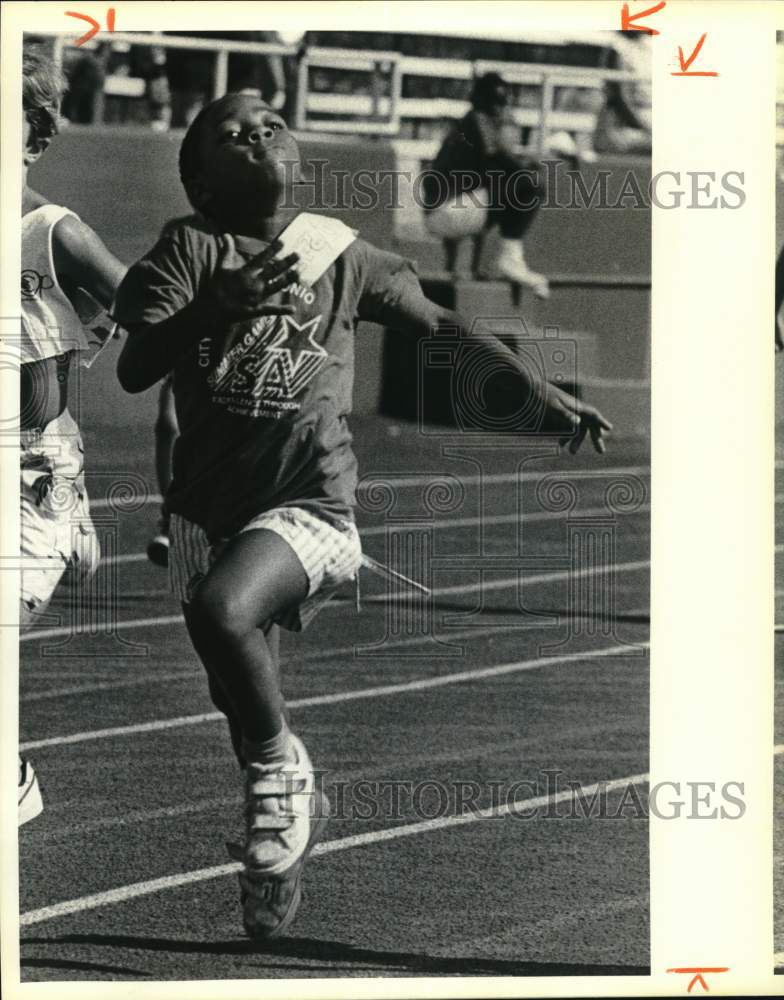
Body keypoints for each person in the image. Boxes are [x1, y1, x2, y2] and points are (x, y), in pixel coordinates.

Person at [113, 92, 612, 939]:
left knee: (224, 615)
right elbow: (136, 367)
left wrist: (538, 392)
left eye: (271, 124)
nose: (258, 134)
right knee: (242, 699)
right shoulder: (190, 249)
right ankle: (278, 855)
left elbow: (440, 324)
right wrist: (215, 305)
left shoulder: (334, 251)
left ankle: (283, 780)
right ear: (200, 181)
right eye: (231, 134)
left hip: (311, 501)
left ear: (296, 155)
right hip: (207, 513)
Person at [19, 47, 126, 823]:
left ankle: (14, 779)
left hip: (33, 466)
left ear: (36, 135)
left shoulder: (51, 231)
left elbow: (144, 302)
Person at [422, 72, 549, 297]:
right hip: (449, 212)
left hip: (439, 213)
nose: (500, 108)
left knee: (499, 190)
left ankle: (475, 267)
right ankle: (510, 259)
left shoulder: (464, 126)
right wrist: (530, 165)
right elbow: (500, 159)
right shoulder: (478, 120)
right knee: (531, 185)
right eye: (498, 102)